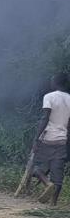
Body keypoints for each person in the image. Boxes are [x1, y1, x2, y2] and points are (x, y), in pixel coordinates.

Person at [32, 73, 70, 205]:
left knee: (37, 169)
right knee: (57, 174)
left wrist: (36, 138)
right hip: (62, 140)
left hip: (48, 139)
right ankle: (53, 204)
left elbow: (45, 118)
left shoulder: (49, 97)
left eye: (51, 81)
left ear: (55, 82)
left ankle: (47, 184)